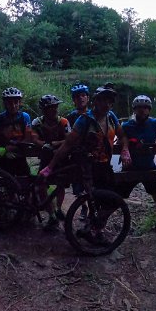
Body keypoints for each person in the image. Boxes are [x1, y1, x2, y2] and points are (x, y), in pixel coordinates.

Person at [40, 83, 131, 191]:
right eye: (102, 100)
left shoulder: (111, 117)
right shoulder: (84, 120)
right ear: (95, 101)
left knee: (111, 201)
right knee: (90, 199)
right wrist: (50, 167)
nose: (106, 104)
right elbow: (68, 144)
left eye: (109, 101)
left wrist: (125, 150)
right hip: (86, 168)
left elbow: (123, 136)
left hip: (105, 165)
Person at [117, 95, 156, 215]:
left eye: (145, 107)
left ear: (149, 109)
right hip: (130, 167)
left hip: (148, 166)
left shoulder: (155, 124)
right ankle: (102, 219)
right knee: (119, 195)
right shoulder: (126, 126)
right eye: (139, 107)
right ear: (134, 109)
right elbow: (119, 141)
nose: (142, 110)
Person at [31, 94, 71, 231]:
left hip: (61, 159)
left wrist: (53, 144)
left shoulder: (63, 122)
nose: (54, 110)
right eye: (50, 108)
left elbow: (69, 139)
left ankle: (59, 208)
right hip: (45, 159)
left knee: (61, 185)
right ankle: (51, 214)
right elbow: (34, 139)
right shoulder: (37, 123)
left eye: (55, 107)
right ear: (44, 109)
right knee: (41, 184)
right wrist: (44, 145)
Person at [0, 87, 32, 177]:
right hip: (5, 157)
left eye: (16, 102)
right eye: (9, 103)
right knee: (8, 181)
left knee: (25, 180)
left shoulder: (25, 117)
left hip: (20, 154)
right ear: (5, 104)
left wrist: (9, 148)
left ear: (20, 103)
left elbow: (28, 138)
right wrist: (0, 148)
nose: (13, 105)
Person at [66, 82, 90, 219]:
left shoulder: (94, 114)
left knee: (91, 184)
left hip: (92, 155)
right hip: (75, 155)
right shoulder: (70, 117)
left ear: (87, 97)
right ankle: (83, 207)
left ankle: (93, 209)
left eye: (83, 95)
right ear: (73, 100)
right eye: (77, 97)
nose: (80, 99)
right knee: (78, 185)